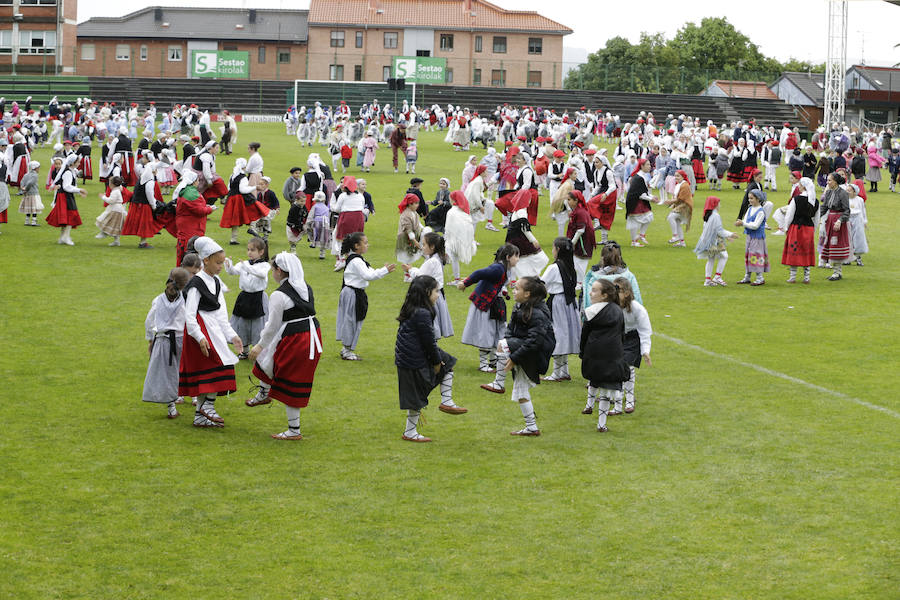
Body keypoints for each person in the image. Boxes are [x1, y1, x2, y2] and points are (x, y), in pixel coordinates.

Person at [246, 252, 324, 441]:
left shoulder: (278, 295)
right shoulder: (305, 287)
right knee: (269, 361)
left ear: (279, 271)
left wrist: (259, 346)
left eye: (273, 270)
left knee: (291, 378)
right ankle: (264, 393)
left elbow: (272, 325)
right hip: (312, 334)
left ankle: (294, 430)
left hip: (297, 338)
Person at [179, 237, 244, 428]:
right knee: (213, 368)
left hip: (213, 330)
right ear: (205, 260)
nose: (221, 266)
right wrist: (199, 337)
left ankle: (201, 414)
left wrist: (232, 335)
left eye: (222, 263)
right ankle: (207, 407)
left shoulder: (216, 282)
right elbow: (189, 316)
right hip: (199, 332)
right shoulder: (196, 284)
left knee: (217, 366)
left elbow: (221, 314)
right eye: (218, 263)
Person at [479, 277, 555, 437]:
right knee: (521, 391)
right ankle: (532, 428)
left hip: (534, 355)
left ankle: (498, 383)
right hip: (524, 350)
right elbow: (510, 330)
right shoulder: (520, 307)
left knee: (502, 344)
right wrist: (512, 351)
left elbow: (535, 342)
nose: (513, 291)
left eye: (517, 289)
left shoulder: (538, 314)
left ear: (527, 294)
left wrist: (514, 358)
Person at [395, 275, 465, 443]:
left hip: (410, 355)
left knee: (449, 363)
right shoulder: (422, 313)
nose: (438, 295)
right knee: (416, 397)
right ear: (427, 292)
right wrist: (435, 362)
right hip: (412, 359)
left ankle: (447, 400)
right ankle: (410, 432)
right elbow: (428, 341)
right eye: (436, 291)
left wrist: (439, 360)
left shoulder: (414, 308)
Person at [457, 244, 519, 373]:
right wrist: (465, 283)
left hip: (495, 303)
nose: (518, 259)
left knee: (498, 331)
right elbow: (479, 273)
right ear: (508, 257)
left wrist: (503, 291)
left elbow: (497, 284)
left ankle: (494, 361)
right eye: (516, 256)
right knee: (486, 332)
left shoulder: (506, 269)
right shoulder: (498, 269)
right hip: (485, 304)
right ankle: (483, 364)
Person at [579, 279, 630, 432]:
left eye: (594, 290)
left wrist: (583, 352)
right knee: (607, 389)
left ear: (604, 295)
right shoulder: (617, 311)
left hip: (594, 353)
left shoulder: (590, 312)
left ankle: (589, 406)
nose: (590, 292)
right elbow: (622, 333)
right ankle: (602, 424)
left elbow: (584, 335)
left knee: (594, 380)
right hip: (613, 354)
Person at [336, 232, 396, 360]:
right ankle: (347, 350)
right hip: (353, 293)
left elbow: (370, 271)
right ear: (357, 246)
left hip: (353, 292)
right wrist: (385, 270)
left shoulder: (356, 258)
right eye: (365, 243)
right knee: (352, 321)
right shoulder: (356, 261)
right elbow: (368, 276)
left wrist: (382, 270)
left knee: (352, 320)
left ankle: (346, 348)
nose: (368, 245)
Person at [142, 267, 191, 419]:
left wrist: (151, 338)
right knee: (182, 370)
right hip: (181, 340)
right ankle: (192, 398)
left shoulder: (158, 300)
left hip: (163, 340)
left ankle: (172, 407)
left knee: (166, 373)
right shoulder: (186, 300)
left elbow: (149, 321)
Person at [541, 238, 581, 382]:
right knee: (564, 333)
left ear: (557, 250)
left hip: (558, 302)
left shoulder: (554, 267)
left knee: (557, 333)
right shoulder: (572, 266)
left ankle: (558, 372)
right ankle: (564, 370)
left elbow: (541, 284)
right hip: (570, 303)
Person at [609, 277, 651, 415]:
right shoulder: (611, 307)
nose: (614, 293)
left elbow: (645, 331)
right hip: (617, 337)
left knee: (628, 367)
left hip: (633, 339)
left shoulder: (637, 309)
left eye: (617, 290)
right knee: (616, 368)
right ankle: (616, 404)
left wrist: (645, 351)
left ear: (626, 293)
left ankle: (630, 399)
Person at [224, 237, 271, 360]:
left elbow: (261, 274)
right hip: (244, 297)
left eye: (253, 250)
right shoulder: (244, 263)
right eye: (248, 249)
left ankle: (258, 351)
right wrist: (229, 265)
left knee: (257, 325)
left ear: (261, 252)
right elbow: (233, 272)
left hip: (258, 298)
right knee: (242, 324)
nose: (249, 252)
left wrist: (247, 267)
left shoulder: (264, 265)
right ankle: (244, 351)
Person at [403, 232, 453, 339]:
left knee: (430, 326)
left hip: (430, 296)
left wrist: (409, 270)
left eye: (424, 244)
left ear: (432, 246)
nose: (422, 247)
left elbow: (421, 277)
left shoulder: (432, 261)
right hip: (437, 295)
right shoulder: (438, 258)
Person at [220, 158, 270, 245]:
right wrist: (255, 187)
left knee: (235, 219)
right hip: (240, 199)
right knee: (256, 210)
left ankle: (233, 239)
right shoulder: (243, 178)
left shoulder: (233, 175)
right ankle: (252, 228)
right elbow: (243, 190)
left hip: (231, 198)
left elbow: (229, 187)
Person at [173, 171, 217, 266]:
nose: (199, 182)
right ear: (194, 181)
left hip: (187, 225)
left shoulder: (187, 190)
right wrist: (210, 209)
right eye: (198, 180)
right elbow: (199, 210)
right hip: (191, 227)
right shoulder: (190, 193)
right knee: (190, 249)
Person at [693, 196, 739, 287]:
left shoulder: (708, 215)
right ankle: (717, 277)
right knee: (724, 256)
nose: (720, 205)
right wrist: (730, 234)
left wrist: (726, 237)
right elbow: (719, 230)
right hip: (714, 241)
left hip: (709, 240)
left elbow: (714, 229)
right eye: (719, 203)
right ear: (715, 205)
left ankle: (708, 280)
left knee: (711, 259)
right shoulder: (716, 216)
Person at [781, 177, 819, 284]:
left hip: (796, 228)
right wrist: (814, 230)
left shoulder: (796, 199)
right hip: (809, 228)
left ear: (803, 186)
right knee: (806, 252)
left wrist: (786, 228)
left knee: (794, 251)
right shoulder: (815, 201)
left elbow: (789, 215)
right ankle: (806, 277)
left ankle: (792, 276)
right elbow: (817, 218)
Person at [584, 242, 643, 308]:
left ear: (602, 258)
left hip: (599, 315)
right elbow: (637, 300)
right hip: (624, 315)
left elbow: (588, 302)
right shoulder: (629, 276)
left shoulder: (594, 278)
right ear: (619, 258)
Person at [45, 154, 86, 246]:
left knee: (67, 217)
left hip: (65, 195)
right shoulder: (68, 172)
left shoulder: (71, 171)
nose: (79, 163)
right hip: (65, 196)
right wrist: (79, 190)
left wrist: (78, 192)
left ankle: (63, 237)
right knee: (70, 216)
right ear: (73, 163)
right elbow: (67, 186)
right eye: (78, 162)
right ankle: (65, 237)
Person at [818, 173, 851, 281]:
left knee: (836, 245)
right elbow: (824, 208)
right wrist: (816, 218)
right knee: (831, 245)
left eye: (829, 180)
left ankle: (837, 272)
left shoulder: (843, 193)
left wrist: (840, 220)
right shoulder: (828, 193)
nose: (827, 182)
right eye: (827, 180)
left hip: (838, 222)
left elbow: (847, 210)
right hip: (830, 221)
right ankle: (837, 271)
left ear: (835, 181)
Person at [331, 176, 367, 270]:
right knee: (356, 238)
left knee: (341, 238)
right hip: (359, 218)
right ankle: (356, 257)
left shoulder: (343, 196)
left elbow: (337, 209)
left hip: (346, 217)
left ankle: (342, 259)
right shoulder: (360, 195)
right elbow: (362, 206)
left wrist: (332, 207)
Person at [735, 188, 769, 286]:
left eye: (752, 198)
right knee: (748, 256)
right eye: (749, 198)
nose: (750, 200)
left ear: (758, 199)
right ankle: (747, 277)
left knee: (756, 256)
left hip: (758, 238)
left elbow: (755, 225)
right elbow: (746, 221)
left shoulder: (761, 212)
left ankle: (760, 278)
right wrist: (740, 223)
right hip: (750, 236)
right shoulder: (750, 209)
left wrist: (743, 223)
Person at [564, 190, 595, 285]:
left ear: (576, 200)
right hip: (579, 240)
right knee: (575, 261)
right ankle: (578, 281)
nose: (568, 202)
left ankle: (581, 282)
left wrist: (572, 242)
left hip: (584, 241)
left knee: (581, 262)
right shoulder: (577, 210)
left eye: (569, 200)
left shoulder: (580, 212)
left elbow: (581, 229)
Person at [625, 158, 655, 247]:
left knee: (649, 216)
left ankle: (641, 235)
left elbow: (643, 192)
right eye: (648, 165)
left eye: (650, 164)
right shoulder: (639, 178)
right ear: (642, 166)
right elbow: (641, 194)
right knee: (635, 221)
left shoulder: (641, 176)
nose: (650, 166)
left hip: (638, 201)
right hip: (634, 202)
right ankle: (634, 241)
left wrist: (651, 197)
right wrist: (651, 199)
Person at [663, 170, 693, 247]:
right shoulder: (679, 185)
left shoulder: (685, 185)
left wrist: (670, 201)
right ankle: (682, 242)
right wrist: (671, 202)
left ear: (683, 177)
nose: (676, 177)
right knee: (677, 223)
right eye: (675, 176)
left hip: (685, 206)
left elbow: (681, 199)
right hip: (680, 205)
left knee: (671, 217)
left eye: (678, 176)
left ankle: (675, 236)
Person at [94, 175, 127, 246]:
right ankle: (116, 241)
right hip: (117, 209)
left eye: (109, 183)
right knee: (115, 226)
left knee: (107, 221)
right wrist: (106, 195)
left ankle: (103, 233)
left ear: (113, 184)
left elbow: (111, 200)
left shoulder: (115, 191)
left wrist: (103, 197)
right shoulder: (116, 190)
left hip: (115, 210)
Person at [396, 193, 424, 267]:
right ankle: (407, 274)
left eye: (418, 203)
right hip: (405, 238)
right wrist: (415, 241)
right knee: (406, 256)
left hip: (412, 236)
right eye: (415, 203)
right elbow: (408, 229)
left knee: (410, 255)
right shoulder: (406, 215)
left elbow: (418, 223)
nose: (417, 205)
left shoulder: (414, 213)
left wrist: (423, 230)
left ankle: (408, 273)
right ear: (410, 204)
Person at [305, 190, 331, 260]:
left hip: (317, 222)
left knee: (312, 232)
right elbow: (328, 216)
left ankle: (313, 242)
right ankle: (322, 252)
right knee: (324, 237)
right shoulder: (326, 208)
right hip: (325, 223)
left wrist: (308, 223)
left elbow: (311, 215)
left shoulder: (315, 207)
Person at [847, 183, 868, 266]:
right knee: (848, 239)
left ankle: (858, 258)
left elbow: (863, 211)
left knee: (858, 239)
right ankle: (848, 258)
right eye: (847, 190)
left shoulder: (860, 200)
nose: (848, 192)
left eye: (849, 191)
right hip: (848, 219)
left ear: (854, 191)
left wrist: (864, 222)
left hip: (857, 220)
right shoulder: (845, 199)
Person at [17, 160, 43, 226]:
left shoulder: (26, 174)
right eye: (38, 168)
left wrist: (23, 188)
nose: (39, 169)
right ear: (35, 168)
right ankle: (34, 221)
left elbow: (22, 182)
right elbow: (30, 183)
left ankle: (27, 220)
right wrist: (26, 189)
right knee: (34, 207)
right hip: (33, 193)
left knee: (28, 207)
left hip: (27, 194)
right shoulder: (35, 175)